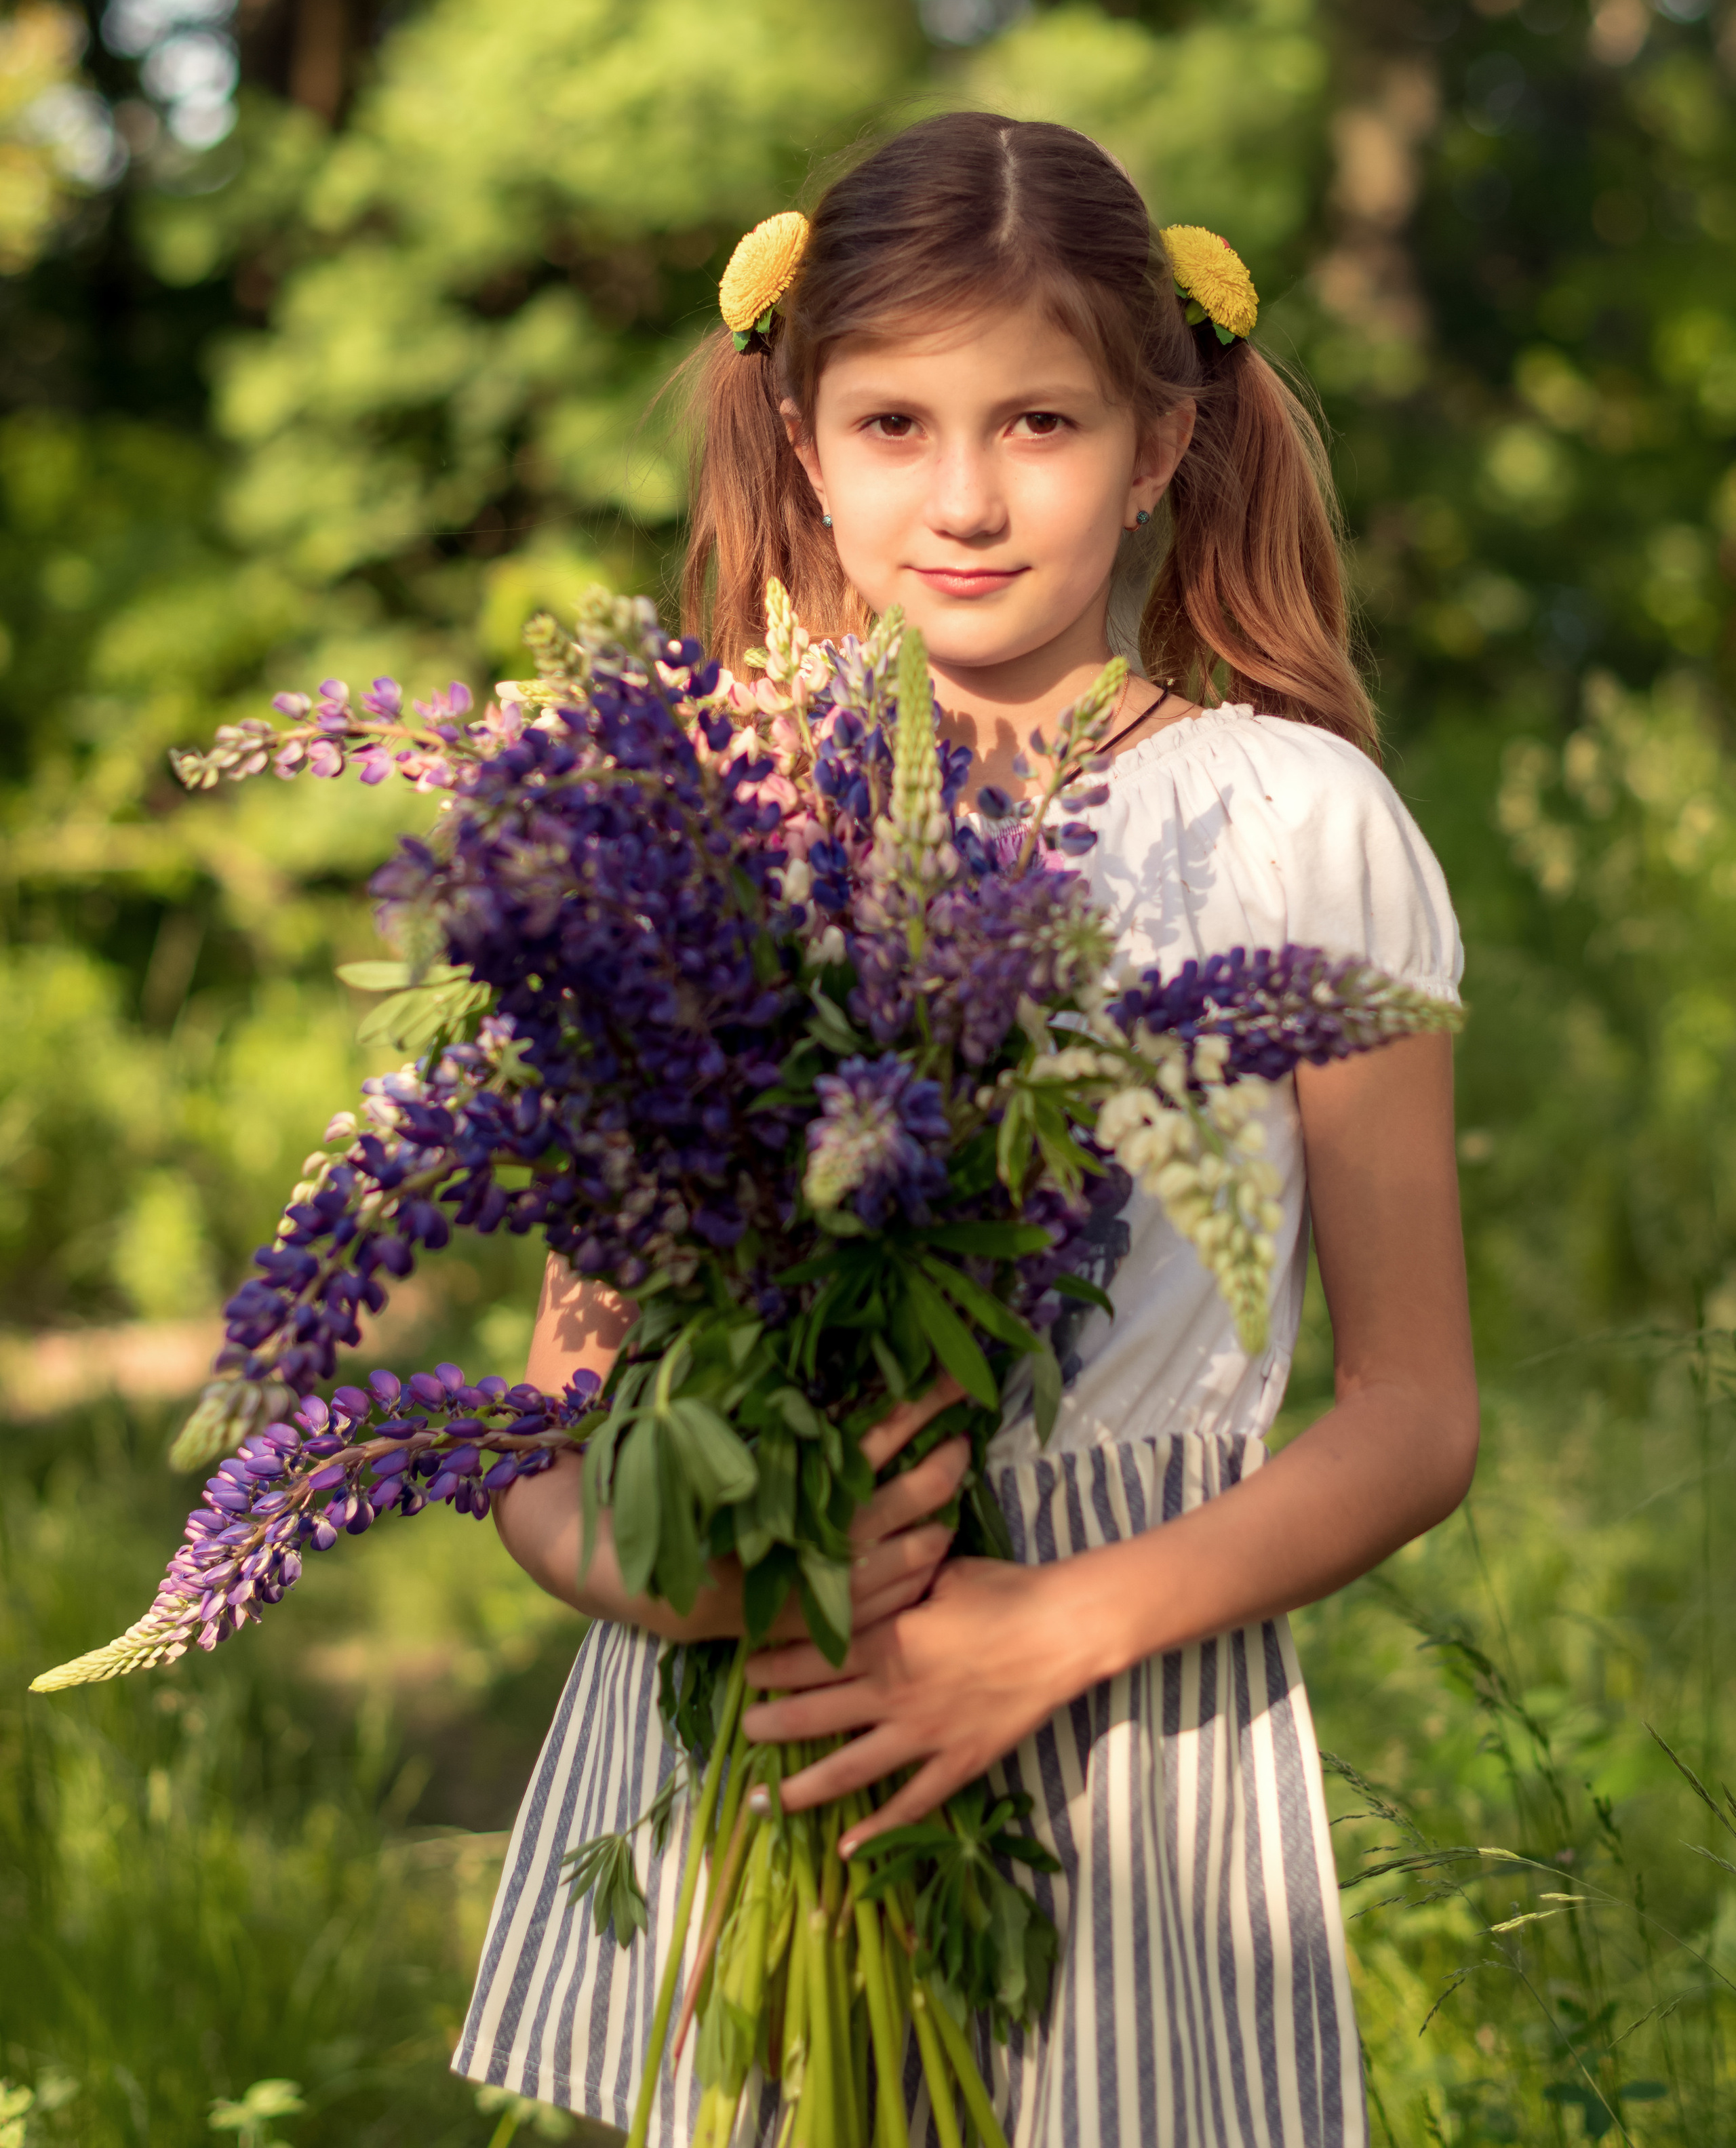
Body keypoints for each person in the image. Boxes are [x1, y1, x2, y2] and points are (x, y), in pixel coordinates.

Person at [452, 112, 1477, 2146]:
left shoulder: (1297, 823)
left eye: (1042, 423)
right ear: (804, 444)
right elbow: (545, 1437)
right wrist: (701, 1590)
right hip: (758, 1728)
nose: (971, 498)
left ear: (1160, 445)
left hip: (1128, 1726)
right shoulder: (700, 829)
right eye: (898, 425)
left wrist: (1038, 1634)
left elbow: (1415, 1415)